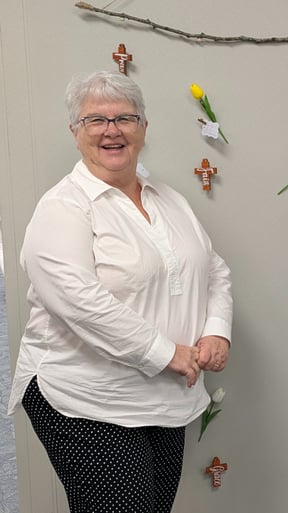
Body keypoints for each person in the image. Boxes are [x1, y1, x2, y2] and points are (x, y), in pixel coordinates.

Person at [6, 70, 233, 513]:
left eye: (125, 118)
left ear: (143, 129)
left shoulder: (168, 200)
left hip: (164, 397)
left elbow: (214, 270)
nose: (112, 130)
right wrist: (169, 352)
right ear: (76, 132)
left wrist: (217, 331)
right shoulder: (63, 208)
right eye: (95, 120)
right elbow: (80, 302)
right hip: (87, 399)